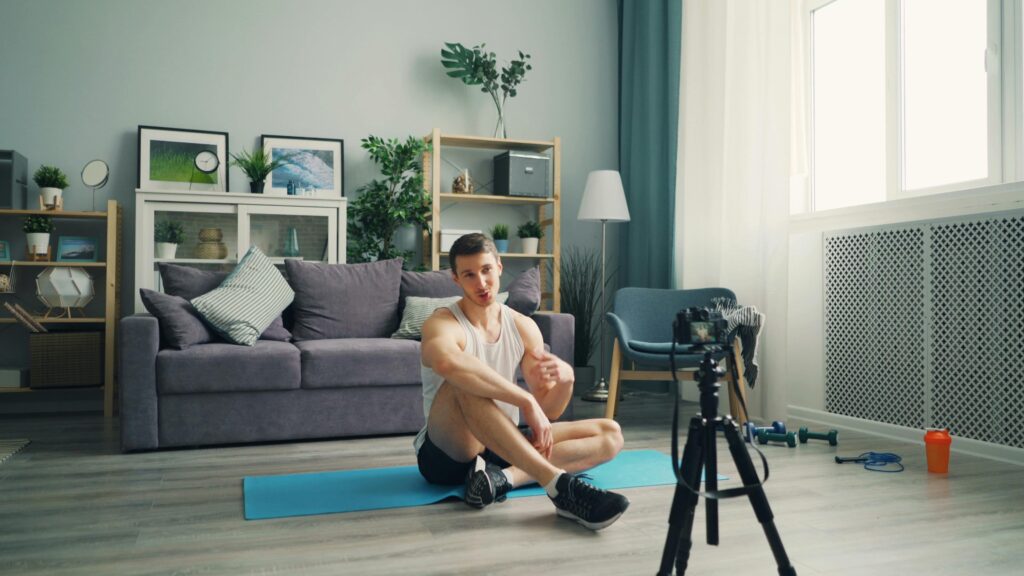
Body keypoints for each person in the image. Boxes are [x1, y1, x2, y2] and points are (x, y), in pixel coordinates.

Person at [414, 233, 629, 530]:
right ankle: (556, 485)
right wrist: (524, 399)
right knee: (461, 381)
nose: (481, 283)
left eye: (486, 270)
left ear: (500, 267)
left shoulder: (523, 326)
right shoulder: (442, 322)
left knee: (611, 433)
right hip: (450, 452)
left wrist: (567, 381)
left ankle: (502, 479)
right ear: (456, 280)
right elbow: (446, 362)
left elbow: (548, 410)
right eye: (469, 275)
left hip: (502, 443)